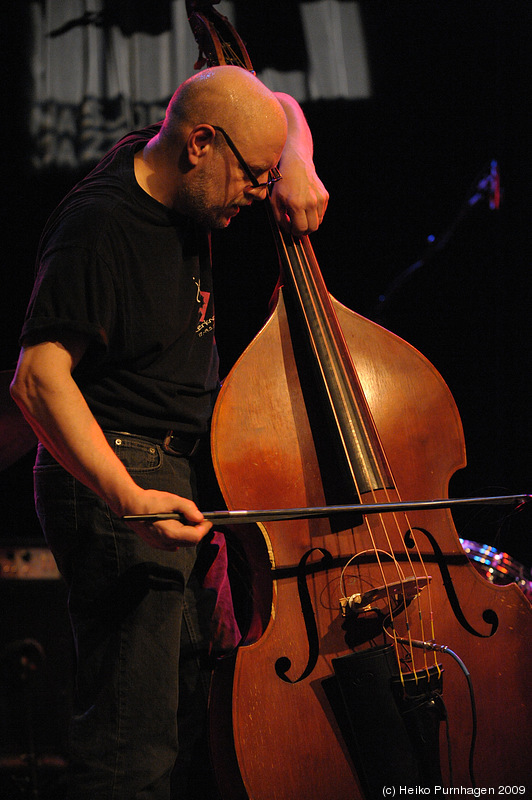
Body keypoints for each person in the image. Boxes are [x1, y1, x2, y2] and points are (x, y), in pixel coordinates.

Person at [10, 64, 328, 799]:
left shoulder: (185, 165)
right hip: (118, 474)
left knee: (192, 725)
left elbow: (273, 103)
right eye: (253, 176)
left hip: (177, 476)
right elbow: (38, 379)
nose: (259, 192)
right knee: (133, 747)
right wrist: (127, 495)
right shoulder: (99, 225)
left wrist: (297, 162)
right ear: (199, 146)